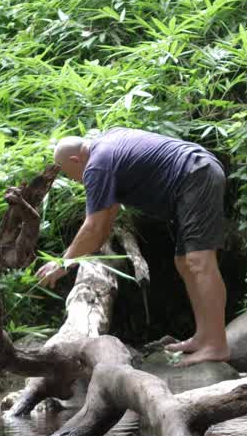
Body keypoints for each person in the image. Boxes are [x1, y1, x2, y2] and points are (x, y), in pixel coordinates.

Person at [35, 128, 230, 366]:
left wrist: (63, 263)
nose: (76, 180)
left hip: (195, 175)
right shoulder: (105, 147)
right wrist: (75, 257)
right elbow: (103, 226)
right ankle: (204, 336)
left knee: (199, 261)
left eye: (70, 174)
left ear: (76, 160)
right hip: (195, 174)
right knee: (185, 262)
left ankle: (216, 345)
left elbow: (94, 226)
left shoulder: (97, 164)